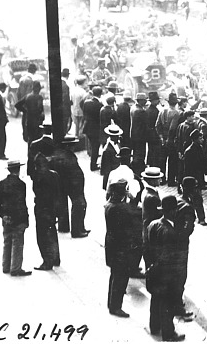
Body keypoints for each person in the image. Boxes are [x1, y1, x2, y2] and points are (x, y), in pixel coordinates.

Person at [146, 195, 186, 342]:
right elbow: (168, 256)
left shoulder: (153, 225)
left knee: (155, 299)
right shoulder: (170, 232)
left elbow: (147, 248)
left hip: (154, 270)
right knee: (167, 303)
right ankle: (168, 333)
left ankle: (154, 326)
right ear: (173, 211)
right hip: (166, 273)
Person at [0, 160, 32, 276]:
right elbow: (21, 204)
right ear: (18, 170)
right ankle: (15, 268)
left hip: (6, 218)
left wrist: (3, 215)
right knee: (17, 243)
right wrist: (25, 219)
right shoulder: (21, 185)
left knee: (7, 241)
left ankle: (6, 266)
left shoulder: (1, 184)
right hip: (18, 218)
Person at [104, 179, 135, 318]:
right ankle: (116, 306)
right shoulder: (122, 208)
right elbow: (133, 215)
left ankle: (111, 303)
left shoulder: (109, 205)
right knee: (121, 277)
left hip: (111, 244)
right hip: (122, 246)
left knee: (114, 275)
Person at [51, 136, 90, 238]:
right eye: (72, 145)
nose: (74, 147)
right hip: (73, 186)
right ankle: (77, 230)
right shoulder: (68, 157)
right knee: (80, 205)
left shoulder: (60, 155)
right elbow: (72, 173)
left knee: (66, 205)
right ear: (68, 146)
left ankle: (66, 227)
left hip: (65, 185)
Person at [32, 154, 61, 270]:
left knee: (43, 236)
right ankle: (56, 258)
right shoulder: (54, 175)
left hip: (42, 209)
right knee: (52, 233)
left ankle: (47, 261)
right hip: (53, 209)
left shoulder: (37, 177)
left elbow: (37, 193)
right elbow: (59, 193)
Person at [83, 86, 104, 171]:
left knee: (92, 146)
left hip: (87, 127)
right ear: (100, 94)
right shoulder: (100, 105)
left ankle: (93, 163)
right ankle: (93, 165)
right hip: (96, 129)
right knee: (95, 148)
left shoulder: (86, 102)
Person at [101, 124, 122, 191]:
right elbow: (106, 170)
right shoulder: (107, 150)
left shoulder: (118, 143)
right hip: (112, 177)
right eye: (116, 136)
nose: (118, 137)